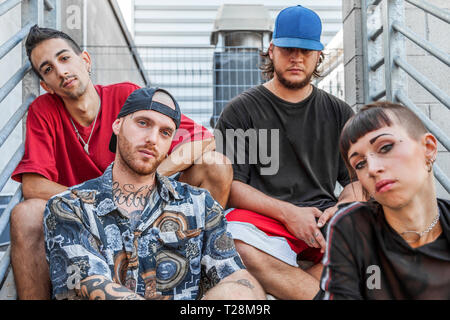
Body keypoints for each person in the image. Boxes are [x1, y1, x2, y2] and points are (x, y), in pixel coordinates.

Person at [10, 25, 232, 299]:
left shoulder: (126, 96)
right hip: (82, 218)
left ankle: (196, 272)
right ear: (46, 85)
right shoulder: (43, 111)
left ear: (85, 60)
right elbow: (32, 186)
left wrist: (153, 177)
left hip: (152, 207)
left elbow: (203, 138)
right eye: (48, 69)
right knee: (24, 214)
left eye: (64, 58)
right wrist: (99, 201)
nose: (60, 71)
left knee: (216, 164)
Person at [43, 87, 265, 300]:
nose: (152, 139)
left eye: (165, 132)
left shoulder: (200, 204)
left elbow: (234, 273)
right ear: (118, 124)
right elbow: (91, 284)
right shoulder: (69, 205)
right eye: (143, 123)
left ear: (170, 144)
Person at [214, 5, 364, 300]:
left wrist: (342, 208)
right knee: (233, 245)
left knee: (366, 234)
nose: (296, 58)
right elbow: (230, 187)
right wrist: (288, 213)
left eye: (305, 51)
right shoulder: (241, 110)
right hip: (262, 220)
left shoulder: (339, 112)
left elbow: (357, 182)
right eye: (288, 49)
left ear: (318, 55)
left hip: (321, 219)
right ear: (271, 50)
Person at [316, 101, 450, 300]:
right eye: (359, 164)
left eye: (386, 147)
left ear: (428, 148)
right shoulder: (352, 227)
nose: (372, 168)